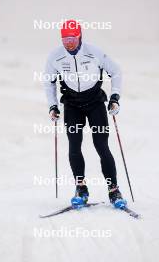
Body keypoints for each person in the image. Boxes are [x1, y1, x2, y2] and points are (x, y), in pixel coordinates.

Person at [44, 19, 127, 209]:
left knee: (101, 146)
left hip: (95, 103)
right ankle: (81, 189)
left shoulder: (94, 52)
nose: (69, 43)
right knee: (74, 146)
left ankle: (113, 189)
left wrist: (115, 97)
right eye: (65, 39)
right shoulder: (55, 56)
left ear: (80, 36)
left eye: (72, 38)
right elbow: (48, 82)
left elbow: (116, 71)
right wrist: (53, 106)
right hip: (72, 104)